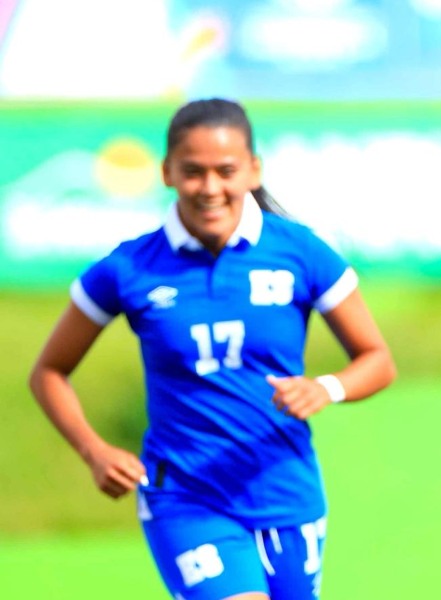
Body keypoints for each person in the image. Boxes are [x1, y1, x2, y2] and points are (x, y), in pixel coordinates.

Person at [28, 98, 396, 600]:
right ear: (166, 172)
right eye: (193, 172)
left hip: (285, 490)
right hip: (184, 496)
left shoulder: (301, 251)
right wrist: (93, 451)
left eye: (226, 171)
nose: (210, 188)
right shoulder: (129, 266)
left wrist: (324, 388)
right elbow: (49, 371)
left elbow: (377, 360)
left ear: (253, 169)